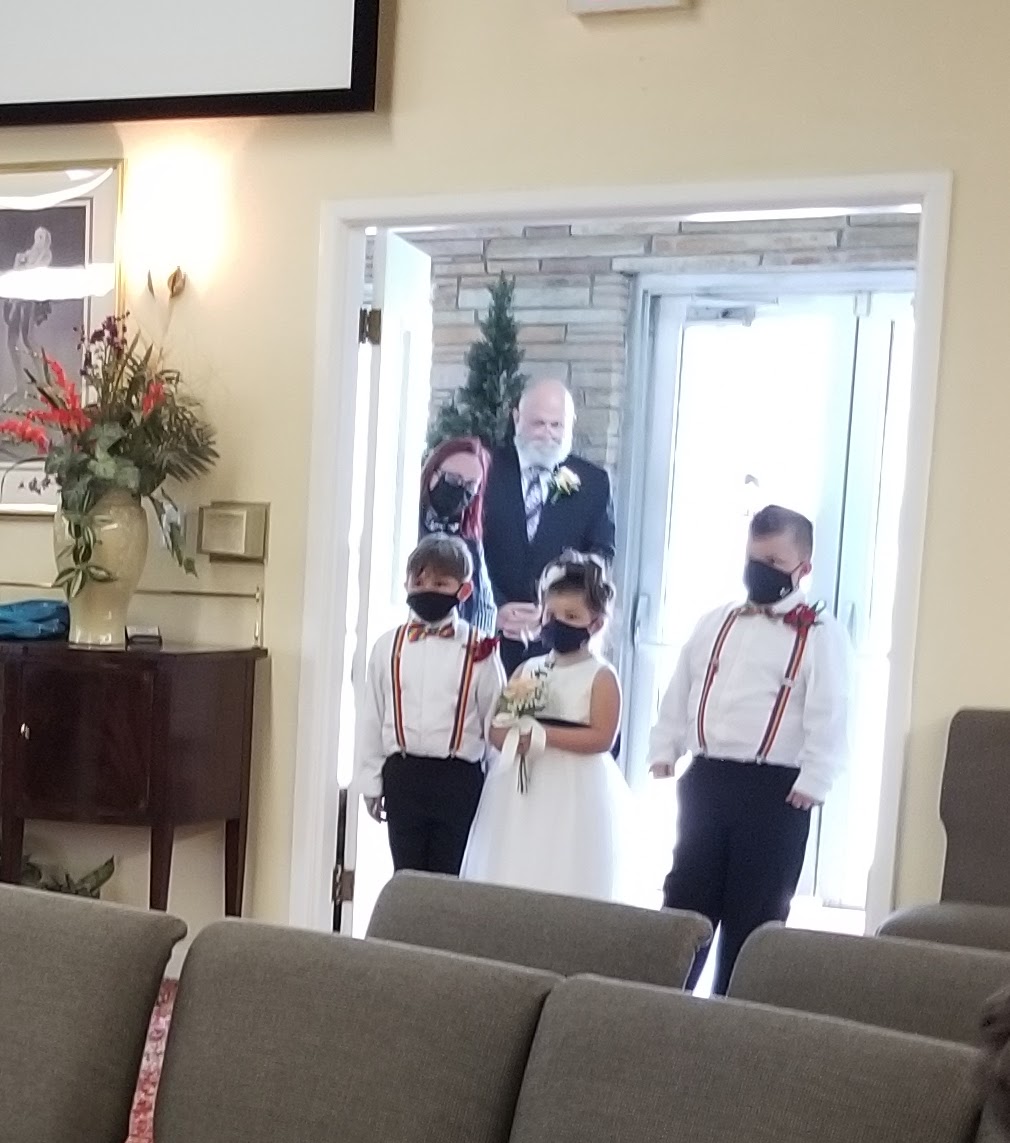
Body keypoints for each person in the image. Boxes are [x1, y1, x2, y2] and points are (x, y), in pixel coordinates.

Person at [648, 505, 852, 996]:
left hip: (775, 789)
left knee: (756, 910)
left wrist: (815, 779)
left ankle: (735, 1013)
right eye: (753, 557)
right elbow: (684, 687)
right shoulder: (717, 622)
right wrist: (666, 745)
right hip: (708, 777)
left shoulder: (820, 636)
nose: (760, 569)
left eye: (774, 560)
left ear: (802, 568)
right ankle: (662, 999)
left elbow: (832, 710)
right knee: (686, 895)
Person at [461, 551, 636, 901]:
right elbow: (496, 727)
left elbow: (603, 737)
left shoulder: (600, 676)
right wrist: (511, 736)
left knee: (565, 863)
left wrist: (543, 735)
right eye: (552, 614)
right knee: (518, 861)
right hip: (522, 787)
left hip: (576, 787)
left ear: (595, 623)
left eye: (571, 616)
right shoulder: (529, 669)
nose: (558, 623)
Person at [354, 533, 505, 875]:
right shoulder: (386, 647)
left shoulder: (481, 650)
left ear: (463, 591)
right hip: (403, 775)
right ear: (405, 583)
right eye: (419, 581)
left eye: (441, 583)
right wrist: (371, 782)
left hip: (458, 779)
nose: (427, 590)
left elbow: (494, 720)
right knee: (405, 875)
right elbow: (372, 717)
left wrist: (497, 792)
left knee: (448, 878)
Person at [483, 378, 615, 677]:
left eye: (557, 425)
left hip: (560, 648)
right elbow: (468, 547)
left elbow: (600, 556)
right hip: (488, 642)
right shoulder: (485, 469)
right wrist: (496, 609)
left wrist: (552, 611)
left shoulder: (593, 483)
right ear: (516, 418)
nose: (548, 434)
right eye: (538, 424)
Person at [418, 436, 496, 634]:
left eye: (471, 486)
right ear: (432, 472)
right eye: (453, 479)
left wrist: (477, 648)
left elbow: (484, 604)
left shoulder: (469, 539)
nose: (461, 489)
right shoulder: (405, 524)